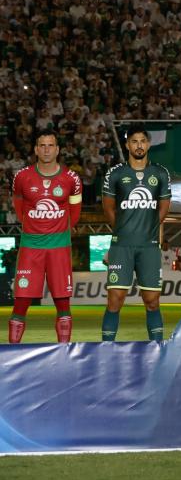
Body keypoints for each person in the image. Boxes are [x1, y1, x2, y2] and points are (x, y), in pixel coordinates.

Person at [8, 129, 82, 343]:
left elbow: (74, 214)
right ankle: (12, 353)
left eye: (51, 145)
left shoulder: (71, 178)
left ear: (57, 149)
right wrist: (35, 227)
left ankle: (64, 351)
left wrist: (55, 230)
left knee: (63, 301)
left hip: (59, 247)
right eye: (42, 145)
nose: (46, 149)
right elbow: (19, 206)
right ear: (35, 149)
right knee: (21, 300)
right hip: (31, 247)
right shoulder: (22, 177)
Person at [100, 124, 172, 341]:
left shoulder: (160, 173)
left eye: (142, 141)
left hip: (149, 246)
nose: (139, 145)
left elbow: (163, 208)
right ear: (127, 145)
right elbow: (108, 209)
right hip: (122, 245)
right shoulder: (115, 173)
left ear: (148, 144)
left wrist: (148, 231)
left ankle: (158, 348)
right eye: (134, 141)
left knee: (152, 300)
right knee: (115, 299)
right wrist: (124, 231)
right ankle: (106, 348)